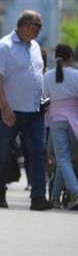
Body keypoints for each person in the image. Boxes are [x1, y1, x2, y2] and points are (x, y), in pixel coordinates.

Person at [0, 10, 52, 210]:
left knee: (37, 152)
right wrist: (5, 108)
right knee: (4, 152)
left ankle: (38, 196)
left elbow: (38, 73)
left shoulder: (35, 46)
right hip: (10, 111)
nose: (40, 31)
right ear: (26, 25)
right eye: (38, 27)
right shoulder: (5, 46)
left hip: (34, 112)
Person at [44, 43, 78, 209]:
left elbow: (45, 99)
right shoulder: (76, 75)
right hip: (74, 122)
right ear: (70, 57)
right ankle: (56, 197)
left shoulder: (48, 76)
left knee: (62, 159)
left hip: (56, 120)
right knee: (65, 159)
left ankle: (74, 191)